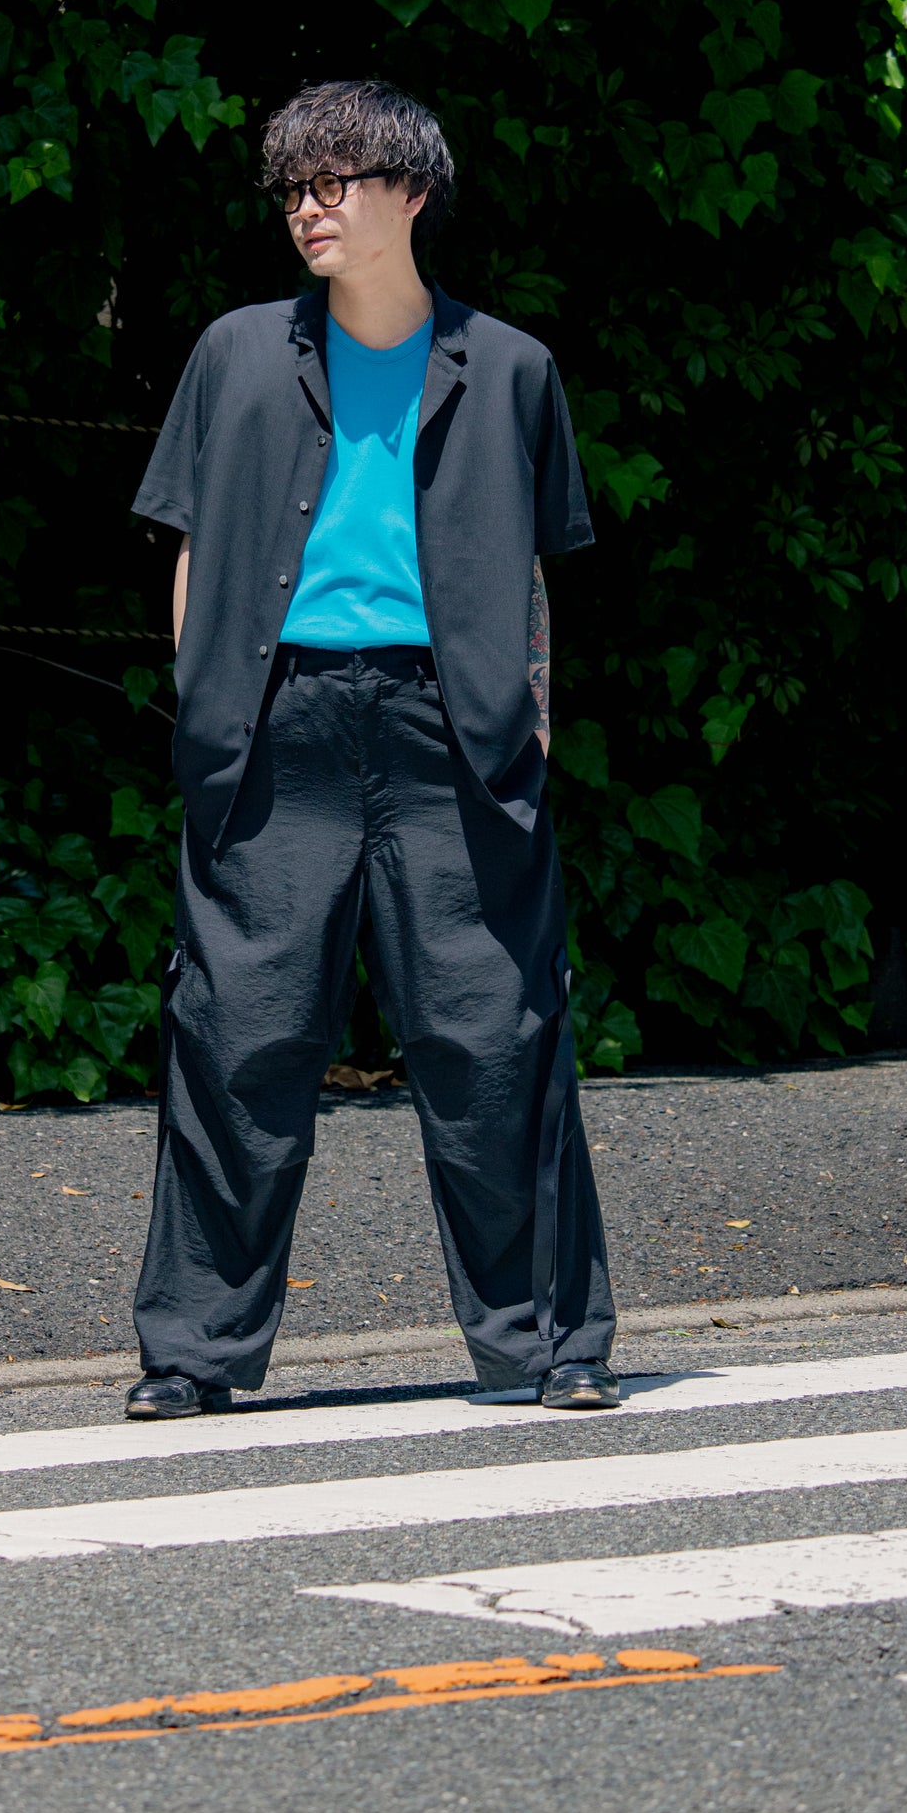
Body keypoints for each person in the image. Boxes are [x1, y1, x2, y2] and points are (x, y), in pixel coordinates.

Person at [124, 78, 618, 1419]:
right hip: (274, 728)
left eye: (333, 181)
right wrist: (207, 712)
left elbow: (530, 576)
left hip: (449, 733)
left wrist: (526, 729)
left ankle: (550, 1345)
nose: (307, 207)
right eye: (292, 187)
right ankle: (192, 1356)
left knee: (494, 1034)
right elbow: (190, 547)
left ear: (411, 193)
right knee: (235, 1039)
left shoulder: (510, 369)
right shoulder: (235, 354)